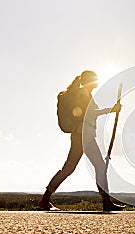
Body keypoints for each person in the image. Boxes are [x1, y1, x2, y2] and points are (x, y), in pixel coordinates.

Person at [39, 70, 125, 212]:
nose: (97, 81)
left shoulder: (85, 94)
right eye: (95, 79)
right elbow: (89, 113)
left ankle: (45, 199)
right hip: (83, 135)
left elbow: (90, 113)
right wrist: (111, 110)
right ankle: (106, 202)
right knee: (99, 166)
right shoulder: (82, 94)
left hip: (82, 135)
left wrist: (111, 110)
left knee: (69, 168)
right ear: (89, 80)